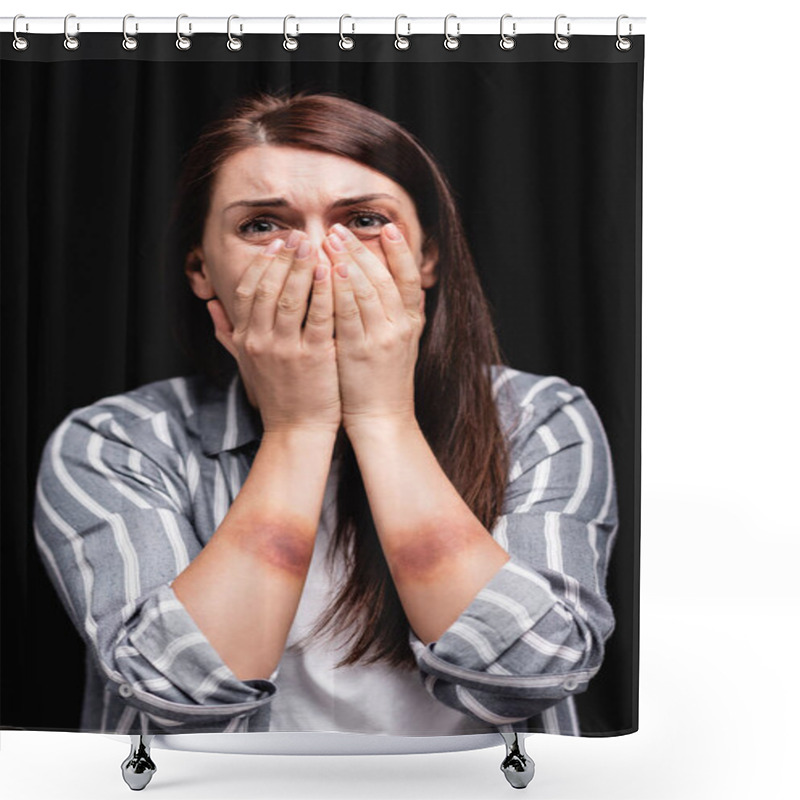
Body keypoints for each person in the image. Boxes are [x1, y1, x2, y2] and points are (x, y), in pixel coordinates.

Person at [33, 89, 619, 738]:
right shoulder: (115, 443)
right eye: (262, 225)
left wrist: (383, 417)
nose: (315, 258)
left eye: (364, 220)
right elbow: (179, 695)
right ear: (202, 270)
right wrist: (299, 428)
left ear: (426, 258)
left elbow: (531, 673)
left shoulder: (537, 418)